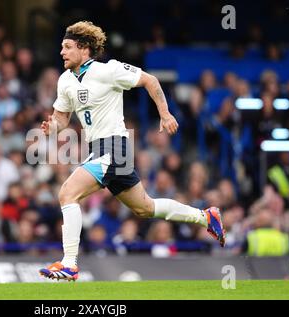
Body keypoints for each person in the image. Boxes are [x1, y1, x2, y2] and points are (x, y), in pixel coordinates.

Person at [38, 21, 226, 281]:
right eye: (62, 47)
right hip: (99, 149)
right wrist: (53, 127)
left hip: (114, 146)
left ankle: (69, 263)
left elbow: (150, 80)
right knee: (145, 208)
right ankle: (206, 217)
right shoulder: (65, 80)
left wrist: (165, 113)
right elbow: (62, 118)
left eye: (68, 47)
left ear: (84, 49)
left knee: (67, 193)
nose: (62, 52)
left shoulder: (109, 71)